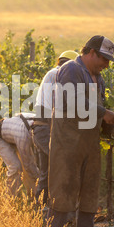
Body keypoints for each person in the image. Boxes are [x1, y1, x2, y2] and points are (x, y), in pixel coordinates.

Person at [46, 35, 114, 227]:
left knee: (89, 196)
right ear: (91, 53)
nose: (106, 65)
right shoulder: (71, 69)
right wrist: (104, 112)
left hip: (89, 145)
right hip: (67, 145)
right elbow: (73, 101)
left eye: (108, 61)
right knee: (62, 194)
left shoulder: (98, 78)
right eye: (103, 59)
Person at [32, 50, 79, 205]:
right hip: (46, 128)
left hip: (40, 128)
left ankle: (40, 210)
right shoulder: (57, 74)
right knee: (60, 166)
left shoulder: (51, 73)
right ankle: (59, 207)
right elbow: (55, 107)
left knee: (46, 172)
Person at [0, 113, 40, 197]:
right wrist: (40, 179)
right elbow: (28, 164)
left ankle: (33, 196)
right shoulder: (23, 136)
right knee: (16, 166)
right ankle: (11, 198)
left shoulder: (41, 121)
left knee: (30, 166)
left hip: (12, 131)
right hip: (0, 137)